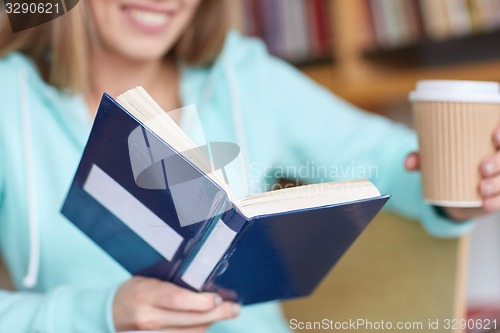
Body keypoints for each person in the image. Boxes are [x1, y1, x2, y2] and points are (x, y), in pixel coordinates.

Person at [0, 0, 499, 332]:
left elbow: (392, 163)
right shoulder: (9, 102)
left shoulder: (244, 77)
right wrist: (101, 313)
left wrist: (468, 185)